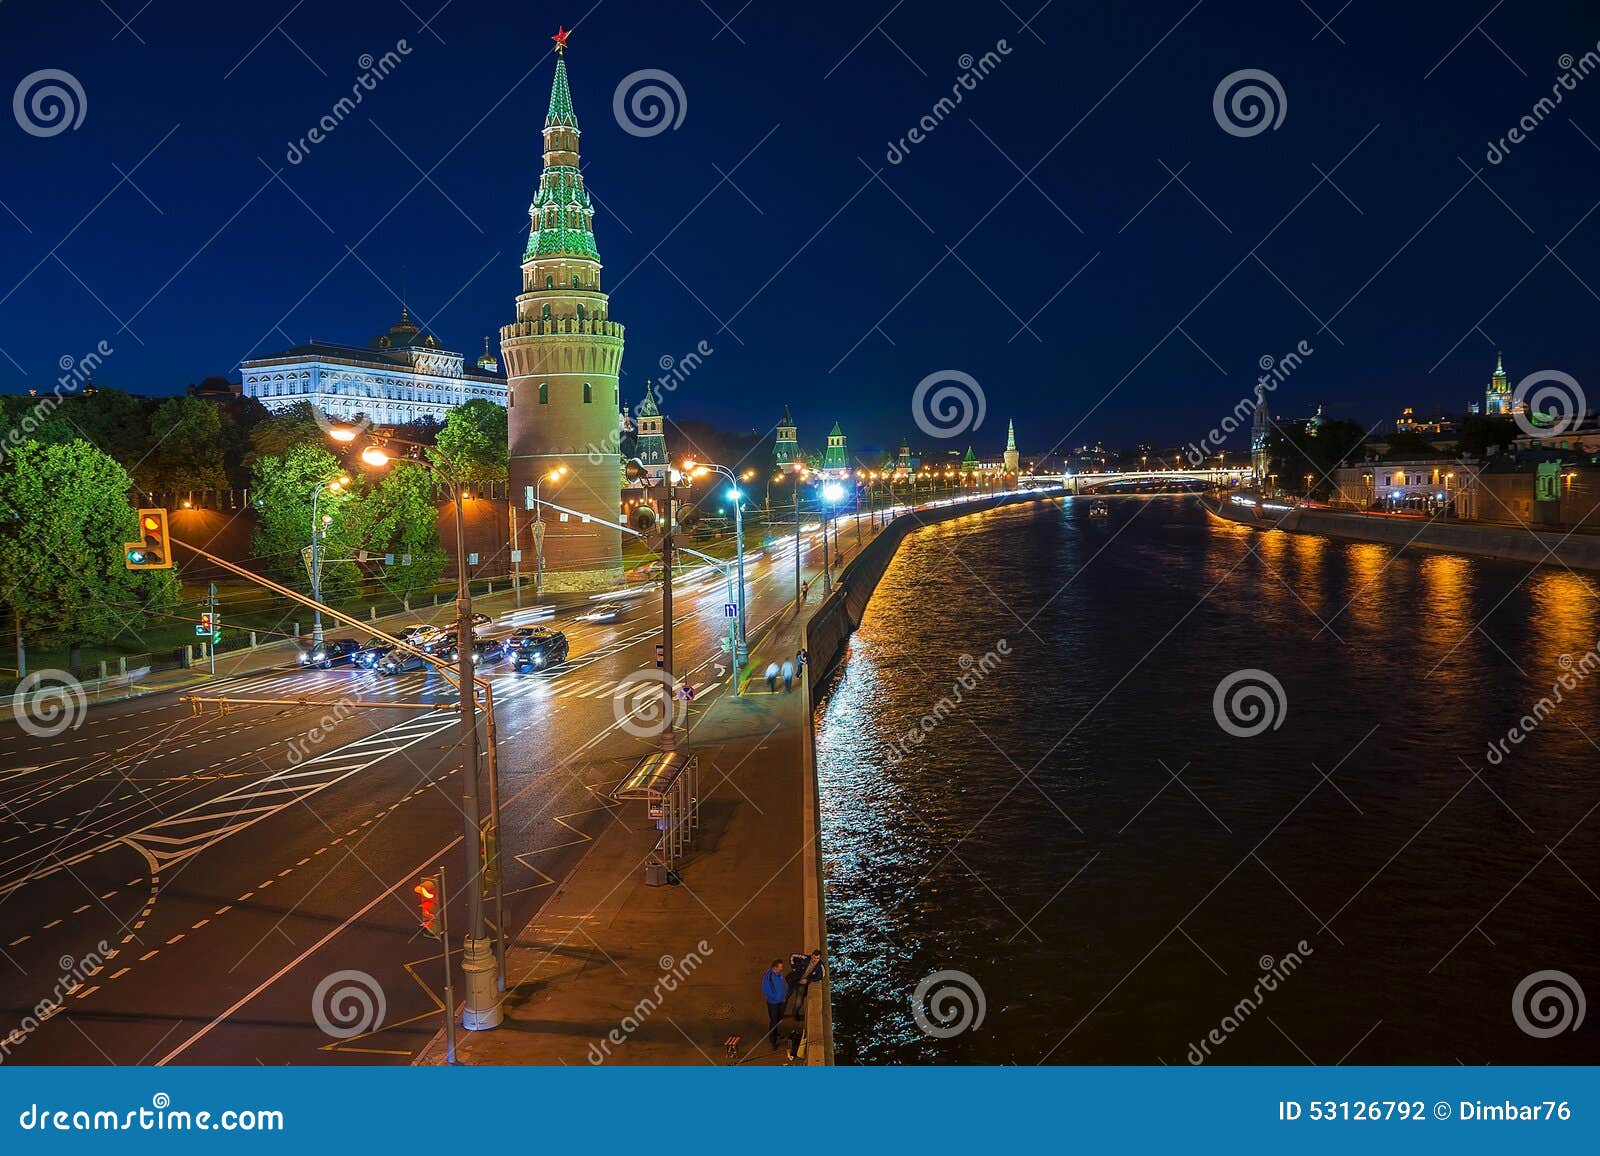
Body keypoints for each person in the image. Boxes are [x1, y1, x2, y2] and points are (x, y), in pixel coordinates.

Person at [762, 960, 788, 1049]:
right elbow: (767, 991)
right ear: (775, 967)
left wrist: (784, 996)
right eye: (780, 967)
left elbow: (782, 985)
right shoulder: (768, 976)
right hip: (773, 1003)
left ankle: (776, 1033)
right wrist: (776, 998)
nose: (782, 968)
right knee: (773, 1021)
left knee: (779, 1018)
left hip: (781, 1001)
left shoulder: (779, 974)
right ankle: (773, 1041)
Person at [791, 949, 824, 1018]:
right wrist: (793, 968)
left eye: (817, 958)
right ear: (811, 956)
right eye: (814, 957)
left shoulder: (820, 966)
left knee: (799, 1001)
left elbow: (821, 976)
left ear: (819, 958)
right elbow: (792, 956)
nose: (815, 959)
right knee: (786, 995)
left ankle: (795, 1014)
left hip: (802, 983)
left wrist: (807, 980)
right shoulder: (805, 958)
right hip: (795, 978)